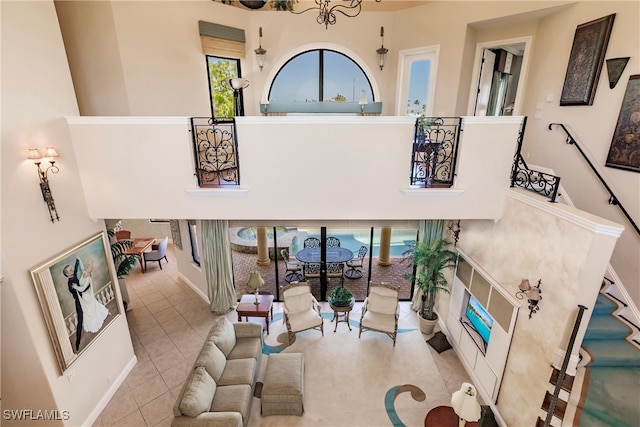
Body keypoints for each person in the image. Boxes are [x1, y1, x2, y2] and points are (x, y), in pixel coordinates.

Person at [63, 258, 111, 350]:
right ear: (67, 274)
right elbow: (77, 289)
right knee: (80, 321)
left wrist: (77, 260)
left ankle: (105, 313)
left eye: (71, 269)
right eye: (70, 270)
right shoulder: (70, 284)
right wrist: (81, 286)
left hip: (85, 298)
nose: (72, 270)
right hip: (80, 302)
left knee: (95, 306)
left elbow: (77, 269)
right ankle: (77, 343)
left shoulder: (76, 275)